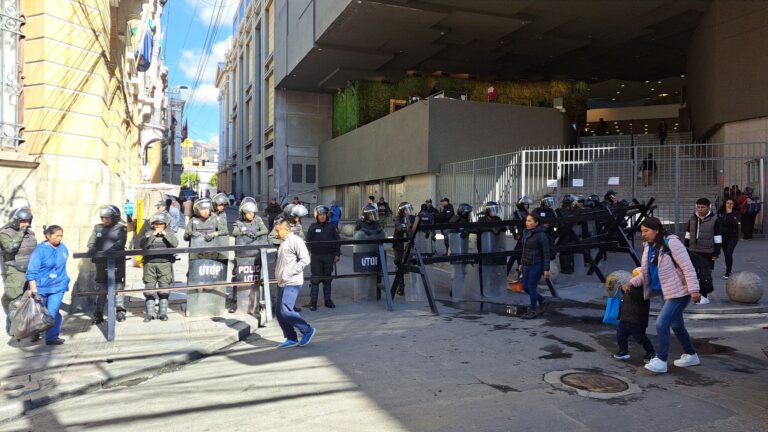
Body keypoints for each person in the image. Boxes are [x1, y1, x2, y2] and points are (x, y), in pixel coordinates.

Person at [622, 217, 702, 374]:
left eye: (646, 231)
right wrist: (632, 283)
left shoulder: (672, 243)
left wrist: (694, 290)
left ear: (656, 230)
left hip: (680, 292)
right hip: (667, 292)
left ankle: (661, 359)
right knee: (677, 325)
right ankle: (691, 355)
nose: (643, 234)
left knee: (661, 323)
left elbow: (688, 267)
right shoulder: (649, 247)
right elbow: (647, 273)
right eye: (642, 232)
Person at [273, 218, 315, 348]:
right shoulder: (283, 241)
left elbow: (305, 259)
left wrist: (289, 272)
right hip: (283, 281)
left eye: (278, 231)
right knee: (279, 312)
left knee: (285, 310)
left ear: (286, 229)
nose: (276, 234)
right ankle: (291, 338)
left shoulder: (296, 241)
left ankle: (307, 330)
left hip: (292, 281)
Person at [25, 225, 69, 345]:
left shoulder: (63, 247)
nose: (59, 238)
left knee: (52, 311)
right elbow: (32, 271)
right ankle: (36, 331)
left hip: (58, 286)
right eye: (57, 236)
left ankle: (51, 337)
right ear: (48, 236)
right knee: (42, 313)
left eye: (61, 236)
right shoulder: (40, 250)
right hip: (42, 286)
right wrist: (33, 288)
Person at [86, 205, 127, 324]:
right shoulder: (98, 228)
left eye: (108, 218)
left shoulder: (121, 228)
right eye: (103, 217)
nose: (105, 220)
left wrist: (110, 251)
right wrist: (92, 248)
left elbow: (120, 243)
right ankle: (98, 313)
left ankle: (120, 310)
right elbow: (91, 241)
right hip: (101, 262)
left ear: (114, 218)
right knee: (102, 288)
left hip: (116, 262)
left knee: (118, 286)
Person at [1, 208, 37, 337]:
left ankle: (32, 329)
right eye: (23, 221)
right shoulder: (5, 233)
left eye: (28, 221)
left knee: (33, 299)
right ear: (17, 221)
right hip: (15, 271)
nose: (26, 224)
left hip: (31, 271)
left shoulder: (31, 233)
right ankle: (14, 329)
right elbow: (11, 248)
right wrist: (21, 232)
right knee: (15, 301)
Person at [230, 199, 269, 313]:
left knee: (257, 279)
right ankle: (235, 301)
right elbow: (235, 232)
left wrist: (257, 233)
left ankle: (257, 302)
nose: (251, 215)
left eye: (253, 213)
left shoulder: (258, 219)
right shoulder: (238, 222)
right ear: (243, 213)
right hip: (241, 257)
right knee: (238, 278)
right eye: (249, 213)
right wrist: (245, 231)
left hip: (255, 255)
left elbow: (265, 230)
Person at [140, 212, 178, 322]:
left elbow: (175, 244)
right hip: (150, 264)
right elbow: (144, 246)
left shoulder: (170, 232)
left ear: (165, 224)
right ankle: (150, 313)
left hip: (165, 264)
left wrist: (165, 234)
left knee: (164, 289)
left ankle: (163, 313)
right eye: (156, 225)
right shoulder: (147, 233)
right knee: (149, 289)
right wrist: (152, 235)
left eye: (161, 225)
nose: (158, 227)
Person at [684, 197, 721, 304]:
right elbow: (688, 233)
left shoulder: (715, 220)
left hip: (708, 251)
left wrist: (716, 252)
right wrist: (685, 247)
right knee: (693, 273)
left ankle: (704, 296)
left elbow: (718, 237)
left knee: (705, 274)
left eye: (702, 207)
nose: (700, 209)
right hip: (693, 250)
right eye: (698, 207)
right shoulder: (692, 219)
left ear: (708, 207)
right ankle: (694, 295)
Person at [613, 273, 656, 363]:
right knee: (620, 335)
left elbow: (636, 294)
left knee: (640, 338)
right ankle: (623, 350)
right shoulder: (628, 288)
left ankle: (651, 352)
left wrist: (627, 289)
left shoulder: (645, 290)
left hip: (637, 320)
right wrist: (622, 288)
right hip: (625, 317)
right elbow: (624, 293)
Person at [305, 205, 341, 311]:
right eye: (320, 215)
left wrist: (337, 254)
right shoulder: (312, 227)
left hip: (329, 256)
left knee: (327, 279)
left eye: (324, 215)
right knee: (315, 279)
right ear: (317, 216)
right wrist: (307, 254)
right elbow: (308, 242)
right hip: (316, 256)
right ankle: (313, 302)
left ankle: (328, 300)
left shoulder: (331, 227)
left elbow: (337, 241)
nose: (322, 217)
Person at [517, 214, 550, 319]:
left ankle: (533, 311)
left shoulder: (541, 234)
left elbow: (546, 253)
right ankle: (542, 300)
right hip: (527, 263)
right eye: (527, 220)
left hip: (537, 263)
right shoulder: (526, 232)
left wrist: (546, 269)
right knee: (525, 286)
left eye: (530, 221)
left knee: (531, 287)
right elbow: (524, 250)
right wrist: (521, 263)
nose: (527, 222)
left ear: (536, 223)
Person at [392, 202, 415, 296]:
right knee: (399, 264)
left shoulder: (412, 218)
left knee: (410, 265)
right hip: (399, 245)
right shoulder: (398, 218)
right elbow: (399, 227)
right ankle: (400, 288)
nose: (408, 211)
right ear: (402, 211)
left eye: (409, 209)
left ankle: (413, 289)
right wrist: (406, 226)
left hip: (409, 245)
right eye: (406, 210)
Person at [718, 199, 740, 279]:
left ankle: (728, 271)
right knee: (726, 255)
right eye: (728, 203)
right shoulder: (721, 212)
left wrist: (730, 213)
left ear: (734, 205)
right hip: (723, 236)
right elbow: (720, 223)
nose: (729, 205)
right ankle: (728, 270)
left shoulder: (736, 213)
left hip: (733, 237)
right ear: (725, 204)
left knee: (729, 253)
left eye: (731, 203)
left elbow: (734, 222)